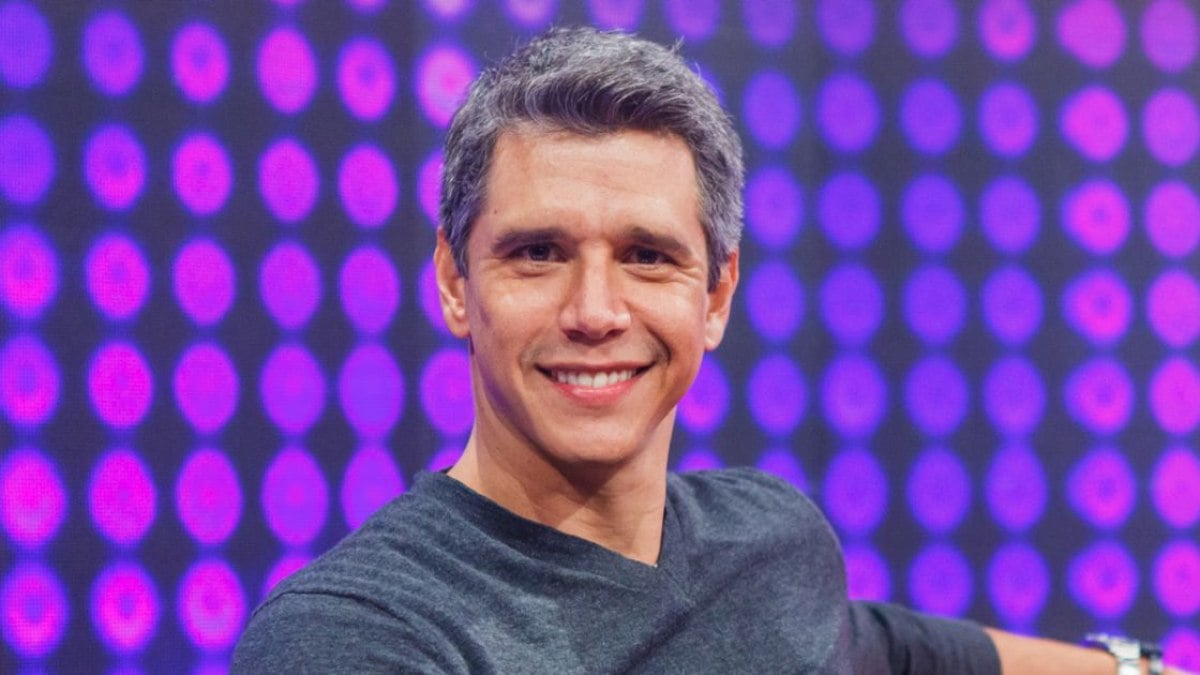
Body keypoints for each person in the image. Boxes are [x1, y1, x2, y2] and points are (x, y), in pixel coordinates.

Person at [233, 27, 1184, 674]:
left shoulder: (769, 541)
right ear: (455, 282)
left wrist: (1138, 667)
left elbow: (902, 651)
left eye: (647, 256)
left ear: (716, 295)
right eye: (538, 253)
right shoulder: (355, 638)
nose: (595, 310)